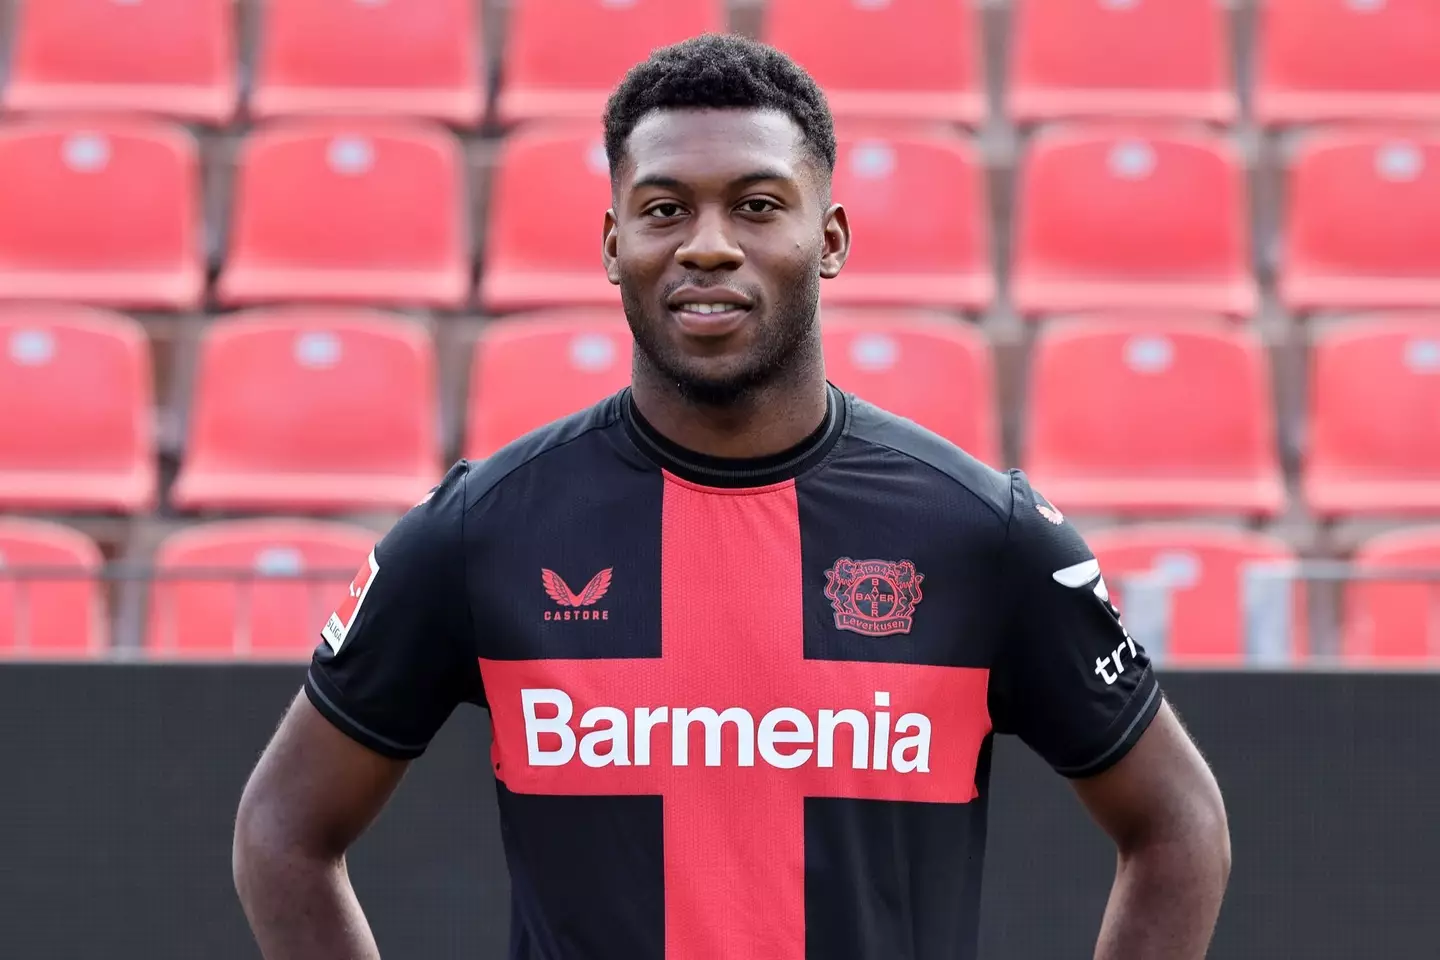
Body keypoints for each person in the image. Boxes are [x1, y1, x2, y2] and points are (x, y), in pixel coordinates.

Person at [233, 33, 1230, 960]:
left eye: (757, 205)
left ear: (830, 237)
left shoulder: (980, 533)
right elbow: (282, 832)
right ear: (613, 242)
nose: (707, 245)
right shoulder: (484, 529)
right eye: (665, 209)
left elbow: (1179, 827)